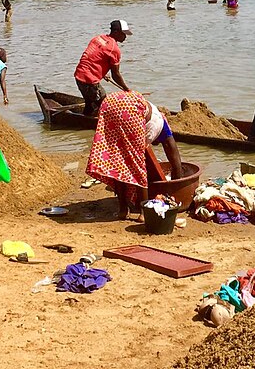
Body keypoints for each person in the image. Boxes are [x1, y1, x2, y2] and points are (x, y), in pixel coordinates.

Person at [86, 91, 183, 220]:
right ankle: (144, 212)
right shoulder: (161, 124)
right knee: (138, 165)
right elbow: (174, 157)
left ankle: (122, 210)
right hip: (130, 109)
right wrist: (178, 180)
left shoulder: (151, 117)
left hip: (108, 105)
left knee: (117, 161)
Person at [74, 20, 132, 116]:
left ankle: (84, 121)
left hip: (79, 75)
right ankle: (95, 123)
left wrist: (103, 74)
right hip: (89, 81)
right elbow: (116, 75)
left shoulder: (97, 38)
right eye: (124, 34)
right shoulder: (114, 49)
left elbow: (92, 58)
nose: (125, 37)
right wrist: (126, 89)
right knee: (104, 104)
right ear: (116, 32)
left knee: (90, 103)